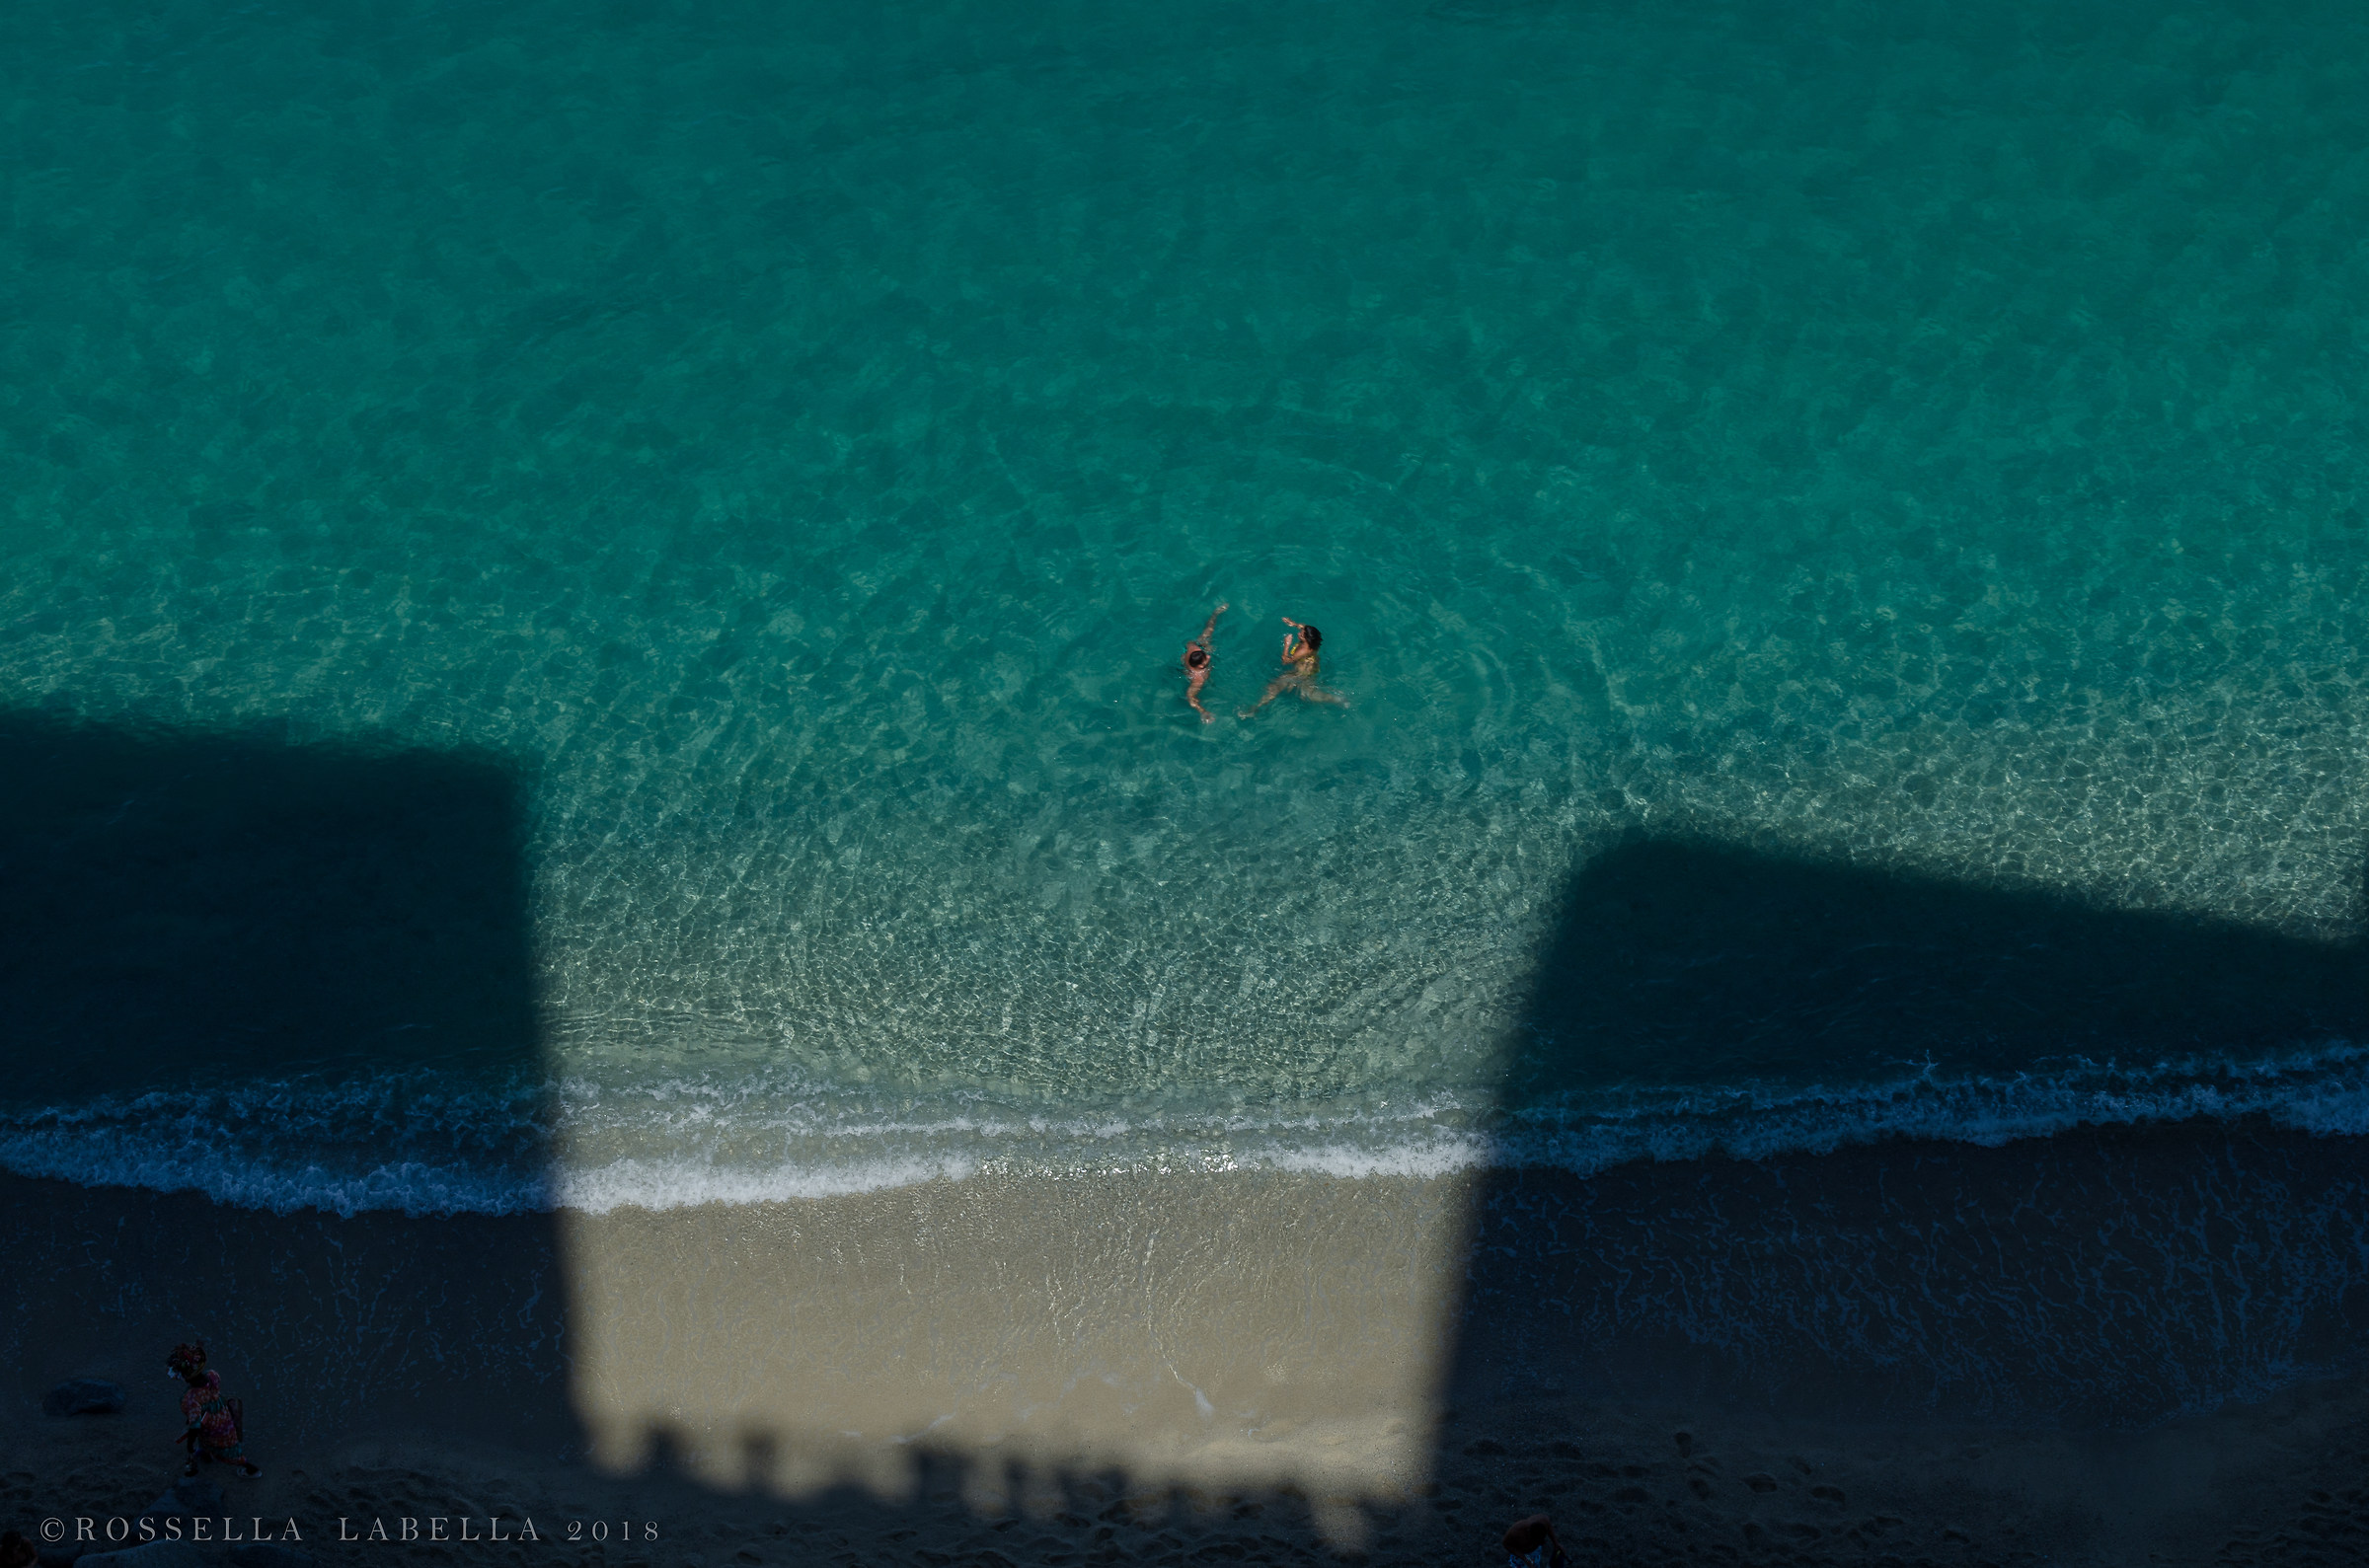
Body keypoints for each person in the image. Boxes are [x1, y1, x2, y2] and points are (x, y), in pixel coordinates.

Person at [168, 1341, 261, 1479]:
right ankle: (207, 1454)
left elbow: (194, 1426)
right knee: (228, 1446)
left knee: (227, 1453)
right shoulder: (212, 1375)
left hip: (211, 1429)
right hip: (222, 1416)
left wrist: (189, 1446)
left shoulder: (190, 1399)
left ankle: (252, 1470)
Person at [1239, 616, 1345, 717]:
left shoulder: (1304, 650)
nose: (1299, 634)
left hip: (1301, 674)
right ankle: (1337, 699)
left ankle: (1254, 709)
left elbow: (1285, 661)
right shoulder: (1313, 642)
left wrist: (1287, 644)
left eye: (1302, 635)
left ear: (1307, 639)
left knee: (1283, 689)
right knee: (1300, 691)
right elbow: (1303, 626)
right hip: (1310, 667)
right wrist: (1294, 623)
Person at [1183, 601, 1227, 721]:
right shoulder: (1198, 679)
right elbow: (1190, 697)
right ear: (1201, 665)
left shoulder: (1194, 649)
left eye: (1205, 655)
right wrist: (1203, 711)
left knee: (1207, 634)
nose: (1209, 657)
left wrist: (1205, 647)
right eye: (1206, 658)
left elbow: (1189, 643)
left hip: (1188, 658)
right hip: (1190, 670)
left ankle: (1215, 613)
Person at [1501, 1513, 1567, 1568]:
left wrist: (1556, 1543)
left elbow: (1549, 1527)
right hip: (1520, 1555)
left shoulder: (1543, 1520)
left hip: (1535, 1553)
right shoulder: (1516, 1531)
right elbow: (1505, 1544)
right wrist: (1524, 1558)